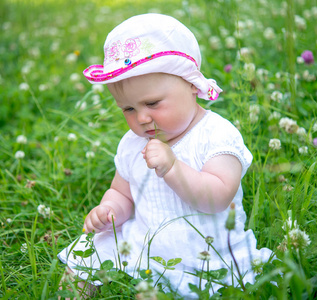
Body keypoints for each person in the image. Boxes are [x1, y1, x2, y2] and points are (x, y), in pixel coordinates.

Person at [58, 13, 272, 298]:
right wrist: (110, 210)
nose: (142, 118)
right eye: (129, 109)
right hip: (145, 242)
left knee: (219, 283)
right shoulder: (133, 143)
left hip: (208, 251)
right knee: (94, 247)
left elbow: (217, 197)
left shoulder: (216, 135)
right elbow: (121, 192)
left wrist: (173, 167)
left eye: (152, 103)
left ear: (192, 86)